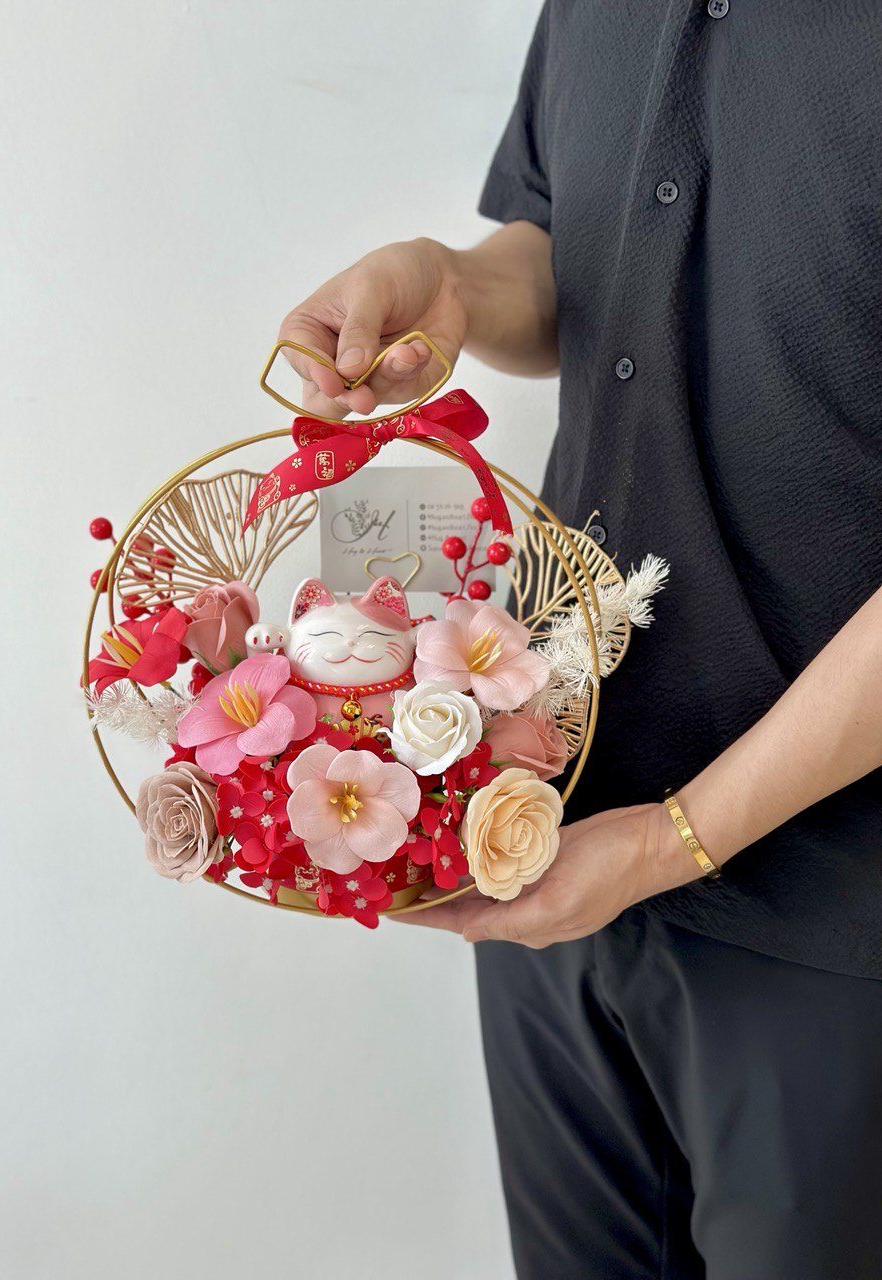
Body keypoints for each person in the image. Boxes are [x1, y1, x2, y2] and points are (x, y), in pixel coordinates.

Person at [276, 2, 882, 1275]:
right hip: (557, 851)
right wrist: (449, 278)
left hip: (835, 930)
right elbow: (568, 261)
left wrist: (675, 838)